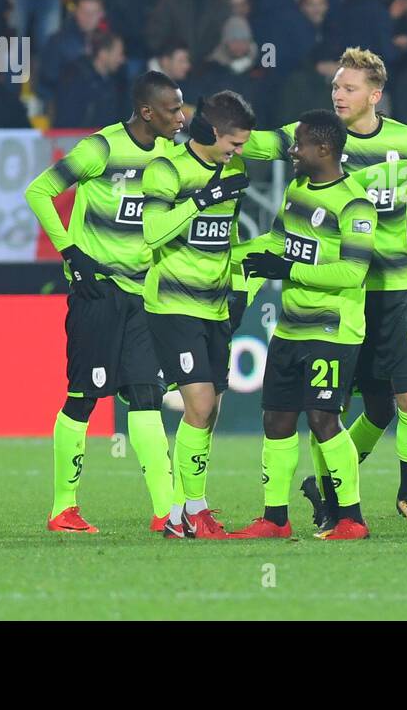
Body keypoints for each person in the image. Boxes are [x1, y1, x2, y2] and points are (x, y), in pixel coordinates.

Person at [241, 48, 407, 526]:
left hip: (395, 288)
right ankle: (332, 500)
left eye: (349, 88)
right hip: (343, 298)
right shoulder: (315, 136)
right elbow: (262, 145)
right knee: (334, 410)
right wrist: (223, 138)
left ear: (374, 94)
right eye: (336, 87)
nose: (339, 95)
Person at [24, 71, 187, 534]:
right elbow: (39, 191)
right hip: (99, 292)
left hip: (145, 292)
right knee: (83, 396)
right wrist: (71, 253)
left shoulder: (172, 155)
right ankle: (63, 508)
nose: (181, 117)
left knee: (146, 395)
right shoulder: (101, 149)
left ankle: (165, 512)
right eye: (173, 110)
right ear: (147, 112)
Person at [228, 110, 378, 541]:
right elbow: (277, 242)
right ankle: (275, 519)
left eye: (299, 144)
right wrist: (230, 253)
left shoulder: (355, 204)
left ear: (324, 149)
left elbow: (353, 272)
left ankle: (351, 518)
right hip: (291, 328)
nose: (291, 151)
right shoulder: (297, 189)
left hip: (333, 330)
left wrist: (288, 270)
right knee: (276, 420)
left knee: (323, 420)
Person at [142, 90, 253, 539]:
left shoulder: (235, 170)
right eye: (234, 144)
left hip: (214, 303)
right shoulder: (166, 169)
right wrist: (201, 200)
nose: (239, 153)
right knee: (200, 405)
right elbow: (152, 232)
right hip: (172, 303)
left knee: (212, 410)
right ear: (209, 132)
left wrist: (240, 286)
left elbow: (225, 238)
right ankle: (189, 510)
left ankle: (186, 512)